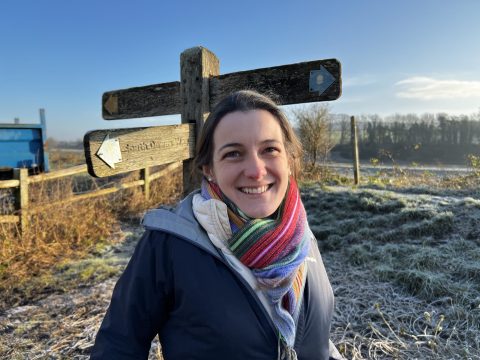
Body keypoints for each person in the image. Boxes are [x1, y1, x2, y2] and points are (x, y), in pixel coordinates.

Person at [91, 90, 343, 360]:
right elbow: (118, 346)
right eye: (234, 153)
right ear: (209, 168)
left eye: (270, 149)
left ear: (289, 159)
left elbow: (317, 339)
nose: (256, 171)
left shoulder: (301, 236)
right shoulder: (169, 245)